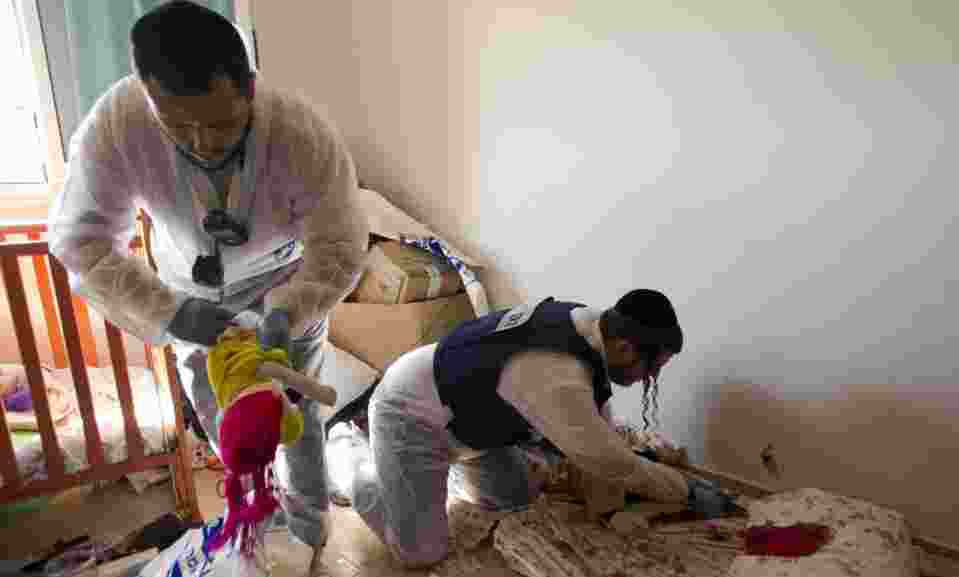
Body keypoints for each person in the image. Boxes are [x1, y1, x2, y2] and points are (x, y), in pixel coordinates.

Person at [46, 0, 368, 568]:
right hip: (185, 292)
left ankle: (310, 513)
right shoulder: (119, 122)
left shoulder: (301, 131)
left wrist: (289, 310)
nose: (201, 143)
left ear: (249, 87)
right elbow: (81, 242)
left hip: (285, 283)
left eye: (221, 124)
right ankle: (256, 512)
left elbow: (340, 244)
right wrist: (170, 312)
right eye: (179, 126)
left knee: (295, 405)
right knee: (226, 416)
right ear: (148, 96)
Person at [347, 289, 694, 569]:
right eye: (651, 370)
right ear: (625, 347)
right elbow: (609, 460)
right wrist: (683, 491)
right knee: (421, 553)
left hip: (466, 421)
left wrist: (610, 506)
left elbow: (600, 434)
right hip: (409, 416)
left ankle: (428, 476)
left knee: (513, 500)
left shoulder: (590, 328)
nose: (648, 380)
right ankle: (366, 474)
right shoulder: (556, 373)